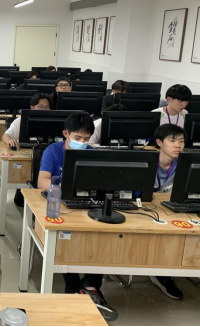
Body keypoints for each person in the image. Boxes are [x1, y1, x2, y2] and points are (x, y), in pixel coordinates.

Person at [38, 112, 117, 322]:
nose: (82, 142)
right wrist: (64, 187)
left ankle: (90, 286)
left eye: (86, 139)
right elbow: (42, 180)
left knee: (99, 236)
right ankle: (73, 286)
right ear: (66, 133)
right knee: (67, 237)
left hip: (86, 206)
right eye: (78, 138)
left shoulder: (92, 153)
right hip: (59, 204)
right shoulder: (53, 151)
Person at [148, 124, 186, 300]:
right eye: (172, 141)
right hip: (147, 209)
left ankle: (164, 271)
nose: (178, 145)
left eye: (181, 141)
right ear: (159, 142)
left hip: (171, 209)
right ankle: (159, 271)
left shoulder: (184, 165)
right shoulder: (147, 161)